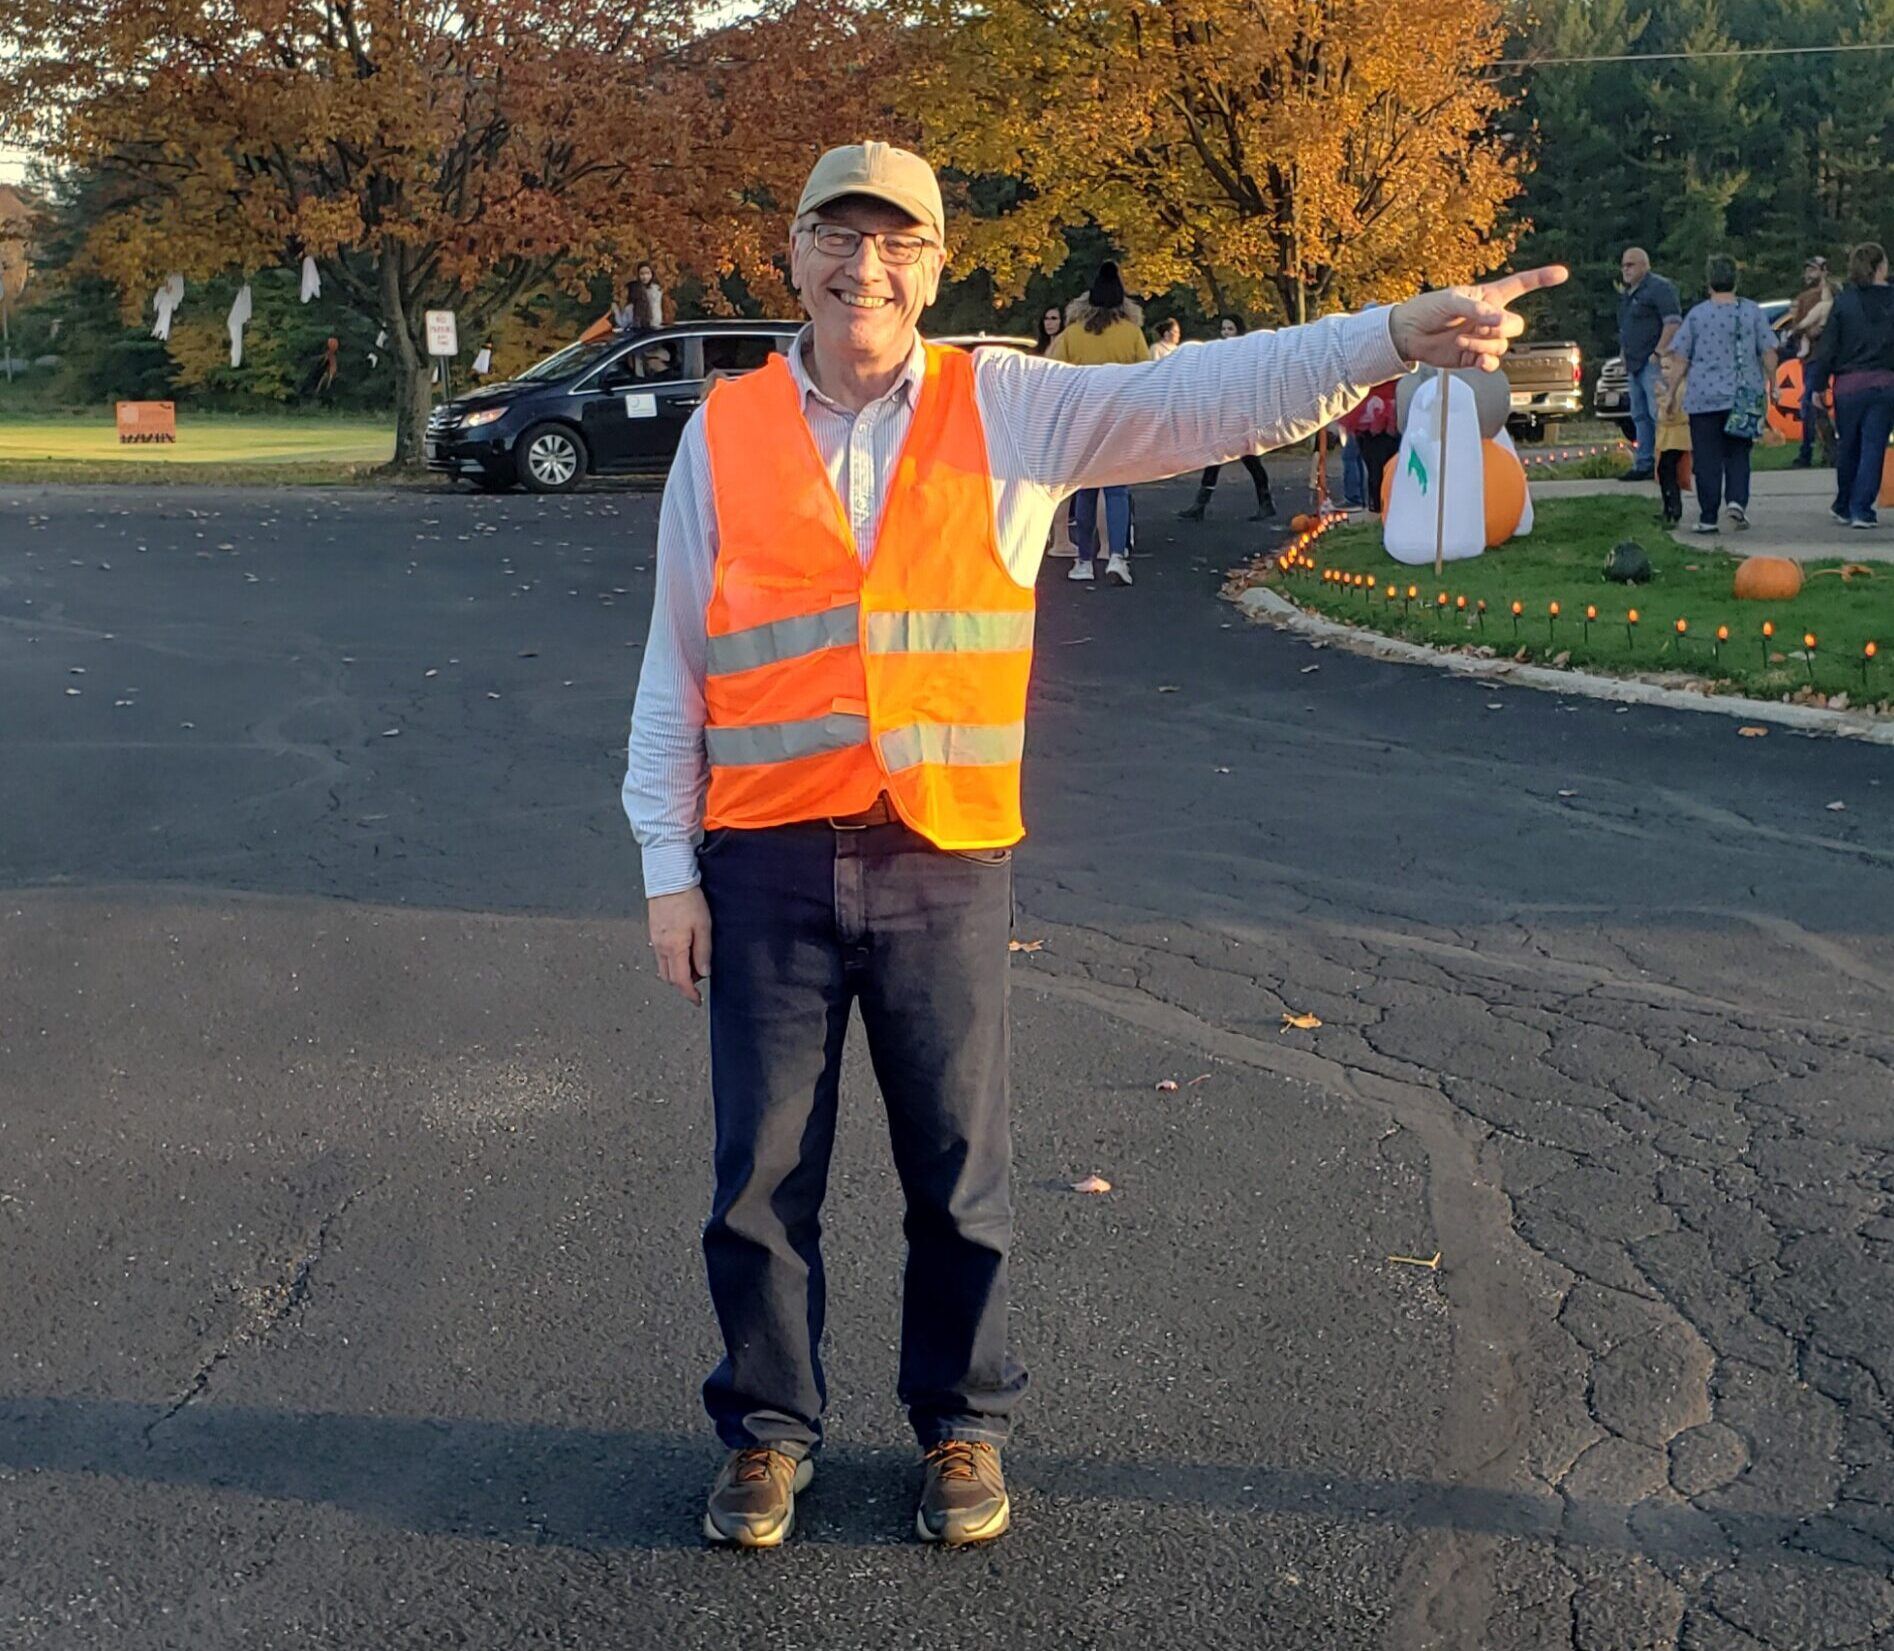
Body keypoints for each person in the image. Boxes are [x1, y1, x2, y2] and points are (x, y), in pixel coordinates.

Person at [623, 138, 1562, 1553]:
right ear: (795, 252)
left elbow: (1198, 394)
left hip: (942, 854)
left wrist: (1383, 336)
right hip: (762, 857)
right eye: (837, 235)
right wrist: (664, 870)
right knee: (756, 1176)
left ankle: (960, 1421)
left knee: (958, 1166)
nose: (861, 266)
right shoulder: (725, 431)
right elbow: (675, 661)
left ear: (935, 265)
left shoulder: (1012, 405)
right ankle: (766, 1430)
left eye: (894, 242)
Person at [1047, 261, 1151, 585]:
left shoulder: (1072, 334)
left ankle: (1083, 560)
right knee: (1117, 490)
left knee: (1087, 491)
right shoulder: (1131, 333)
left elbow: (1053, 374)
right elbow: (1146, 374)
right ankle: (1117, 557)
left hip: (1082, 419)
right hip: (1118, 417)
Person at [1666, 252, 1779, 534]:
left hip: (1704, 398)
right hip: (1743, 395)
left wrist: (1670, 393)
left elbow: (1681, 358)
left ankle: (1707, 516)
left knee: (1706, 458)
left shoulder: (1697, 315)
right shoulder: (1752, 311)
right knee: (1738, 453)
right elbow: (1768, 351)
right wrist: (1774, 383)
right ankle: (1737, 503)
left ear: (1709, 283)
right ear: (1735, 281)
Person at [1807, 241, 1894, 530]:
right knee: (1873, 447)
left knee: (1848, 447)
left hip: (1849, 385)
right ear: (1881, 266)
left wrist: (1818, 385)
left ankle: (1844, 502)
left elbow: (1828, 347)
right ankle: (1861, 508)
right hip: (1884, 382)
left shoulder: (1844, 302)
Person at [1178, 316, 1275, 521]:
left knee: (1249, 458)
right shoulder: (1219, 355)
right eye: (1223, 329)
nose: (1226, 333)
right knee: (1216, 456)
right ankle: (1200, 504)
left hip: (1239, 414)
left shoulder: (1245, 355)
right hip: (1223, 412)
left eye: (1230, 328)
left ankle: (1265, 501)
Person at [1617, 247, 1682, 482]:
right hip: (1633, 363)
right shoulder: (1629, 294)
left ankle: (1666, 464)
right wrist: (1624, 353)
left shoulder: (1659, 288)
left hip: (1652, 361)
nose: (1626, 269)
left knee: (1659, 414)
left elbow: (1673, 322)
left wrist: (1659, 351)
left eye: (1631, 265)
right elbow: (1626, 327)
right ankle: (1644, 462)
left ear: (1645, 265)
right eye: (1624, 265)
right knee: (1639, 415)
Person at [1782, 254, 1838, 468]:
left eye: (1813, 269)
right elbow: (1797, 328)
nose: (1808, 274)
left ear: (1824, 271)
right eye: (1807, 270)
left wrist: (1812, 332)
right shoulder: (1804, 297)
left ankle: (1808, 452)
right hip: (1812, 357)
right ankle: (1829, 451)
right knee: (1816, 405)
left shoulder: (1830, 295)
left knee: (1810, 403)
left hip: (1821, 357)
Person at [1337, 377, 1400, 514]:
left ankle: (1361, 499)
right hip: (1371, 412)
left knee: (1370, 462)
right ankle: (1368, 501)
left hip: (1375, 411)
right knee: (1368, 460)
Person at [1654, 350, 1690, 528]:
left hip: (1676, 437)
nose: (1664, 373)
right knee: (1665, 471)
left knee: (1667, 470)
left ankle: (1673, 507)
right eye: (1662, 368)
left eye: (1668, 368)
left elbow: (1672, 414)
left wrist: (1662, 397)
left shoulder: (1680, 389)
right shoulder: (1674, 389)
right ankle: (1668, 507)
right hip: (1668, 437)